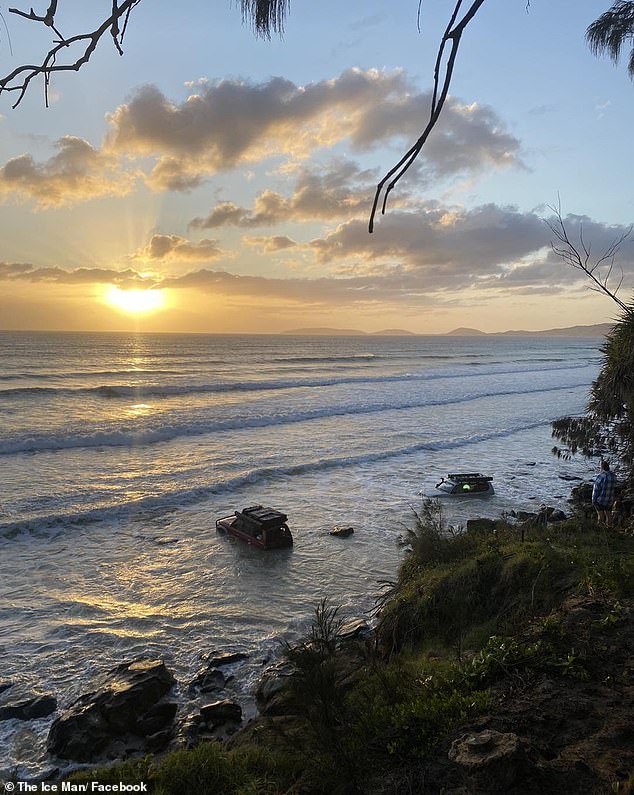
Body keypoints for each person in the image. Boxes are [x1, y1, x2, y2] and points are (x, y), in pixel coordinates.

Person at [592, 460, 617, 527]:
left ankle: (600, 530)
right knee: (609, 515)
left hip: (601, 499)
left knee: (600, 515)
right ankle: (609, 528)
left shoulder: (601, 476)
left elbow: (596, 489)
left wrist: (594, 500)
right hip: (610, 499)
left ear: (602, 467)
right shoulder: (614, 476)